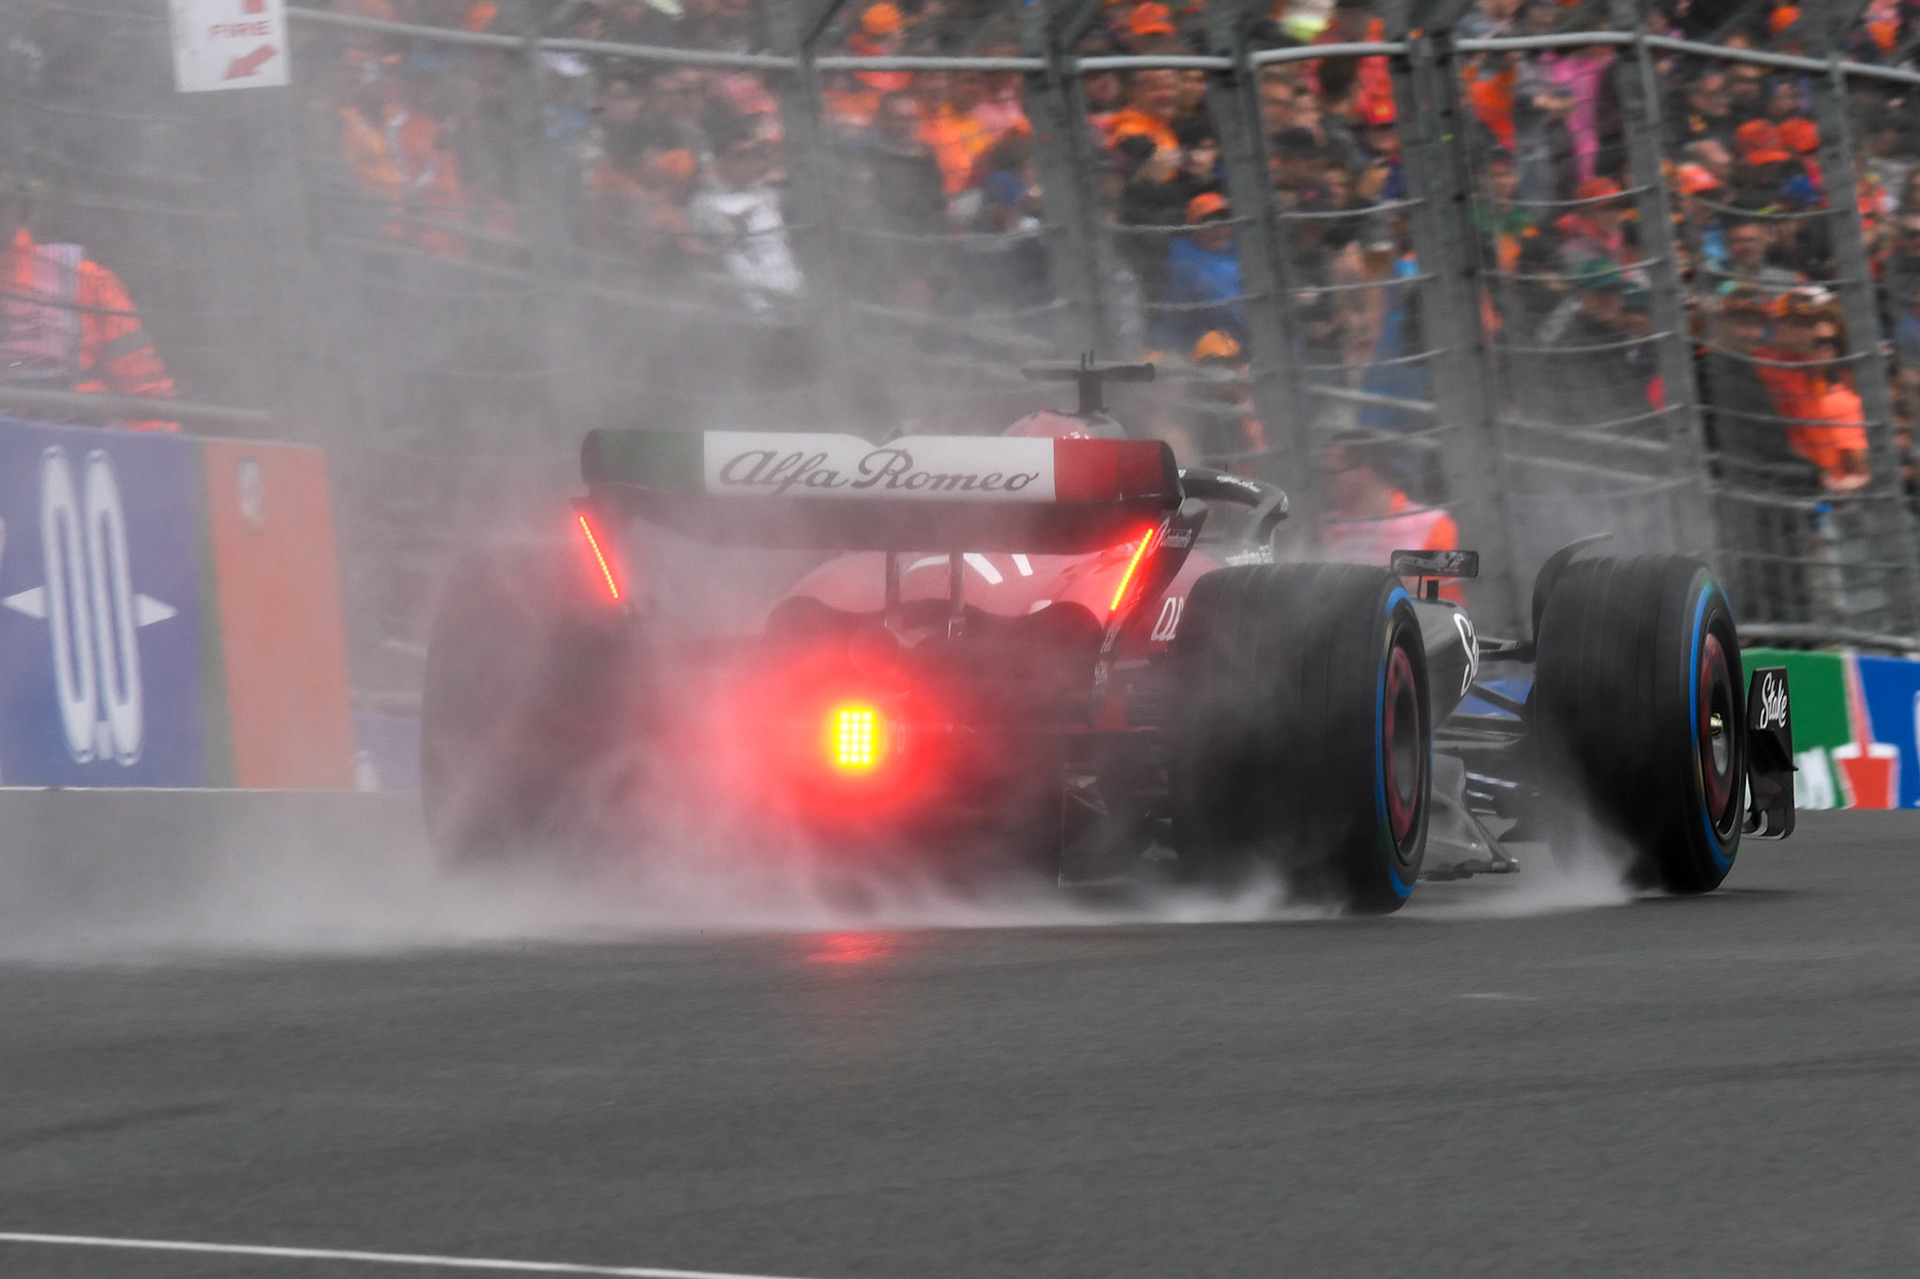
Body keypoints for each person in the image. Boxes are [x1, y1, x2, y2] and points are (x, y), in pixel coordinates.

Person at [0, 170, 176, 431]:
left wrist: (154, 458)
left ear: (16, 209)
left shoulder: (85, 280)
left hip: (78, 448)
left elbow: (148, 398)